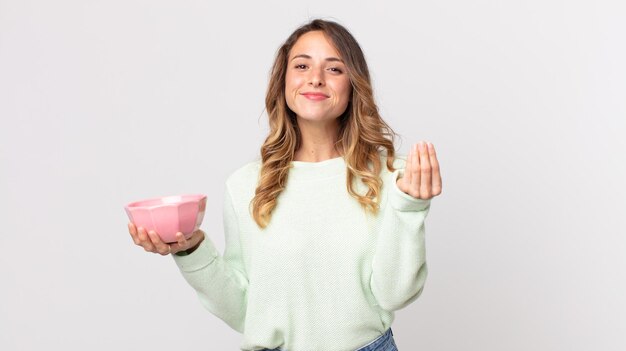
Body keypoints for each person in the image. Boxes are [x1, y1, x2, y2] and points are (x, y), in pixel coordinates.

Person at [128, 18, 442, 351]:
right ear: (283, 81)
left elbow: (395, 293)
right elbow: (244, 310)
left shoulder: (392, 177)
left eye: (334, 69)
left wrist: (410, 207)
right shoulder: (246, 185)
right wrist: (189, 249)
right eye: (302, 65)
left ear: (354, 85)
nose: (315, 78)